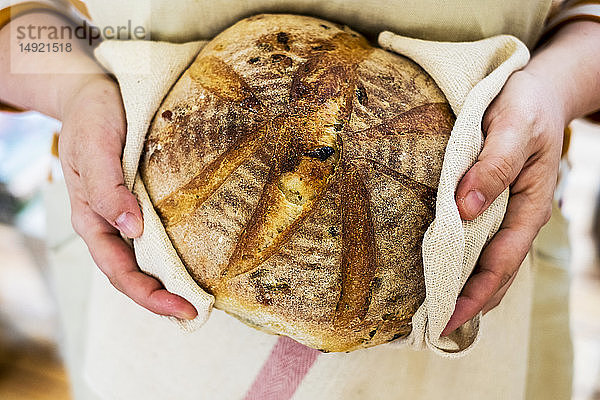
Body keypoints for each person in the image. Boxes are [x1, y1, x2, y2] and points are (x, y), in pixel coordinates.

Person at [0, 1, 599, 399]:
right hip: (143, 283)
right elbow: (22, 25)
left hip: (483, 270)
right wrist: (75, 86)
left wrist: (555, 87)